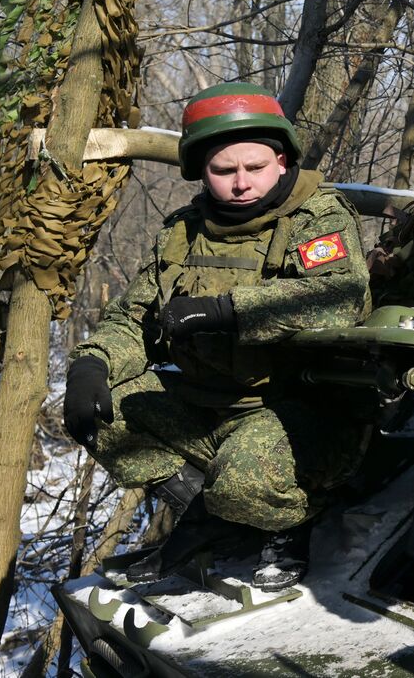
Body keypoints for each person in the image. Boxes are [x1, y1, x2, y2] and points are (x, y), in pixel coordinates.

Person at [62, 82, 373, 589]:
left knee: (243, 481)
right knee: (100, 414)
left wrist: (224, 311)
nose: (242, 183)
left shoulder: (317, 215)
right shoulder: (184, 231)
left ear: (281, 160)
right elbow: (134, 317)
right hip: (207, 403)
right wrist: (92, 363)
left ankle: (286, 522)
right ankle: (209, 516)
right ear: (202, 172)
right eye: (224, 171)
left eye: (255, 167)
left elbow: (338, 295)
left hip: (299, 409)